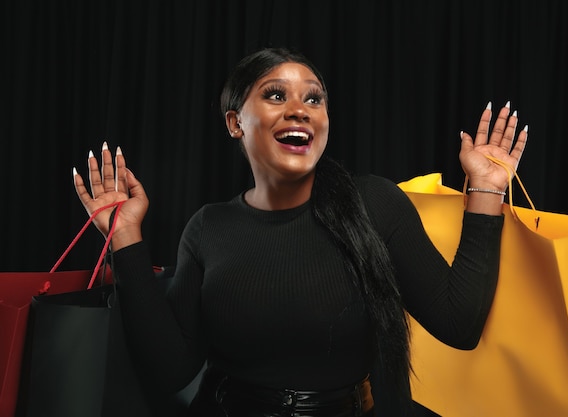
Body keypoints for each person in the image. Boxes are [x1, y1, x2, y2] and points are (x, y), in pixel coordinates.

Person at [73, 47, 527, 417]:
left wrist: (486, 190)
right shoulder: (209, 228)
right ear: (235, 123)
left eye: (314, 99)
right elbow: (168, 372)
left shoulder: (376, 204)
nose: (299, 111)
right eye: (275, 95)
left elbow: (459, 324)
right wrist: (125, 236)